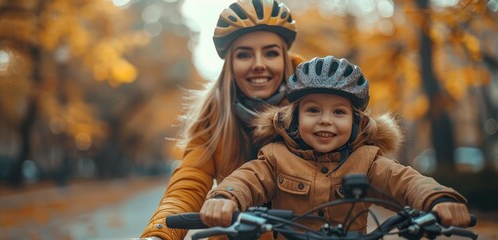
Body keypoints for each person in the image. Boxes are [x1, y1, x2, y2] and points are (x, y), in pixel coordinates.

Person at [199, 56, 472, 236]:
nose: (326, 121)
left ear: (356, 121)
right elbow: (247, 179)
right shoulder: (275, 158)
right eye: (314, 110)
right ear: (294, 117)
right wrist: (225, 198)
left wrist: (439, 198)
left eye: (339, 112)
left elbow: (404, 180)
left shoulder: (368, 160)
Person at [140, 1, 305, 239]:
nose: (258, 64)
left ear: (285, 58)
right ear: (230, 64)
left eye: (270, 53)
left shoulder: (318, 107)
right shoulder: (213, 116)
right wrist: (159, 234)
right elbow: (189, 181)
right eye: (244, 54)